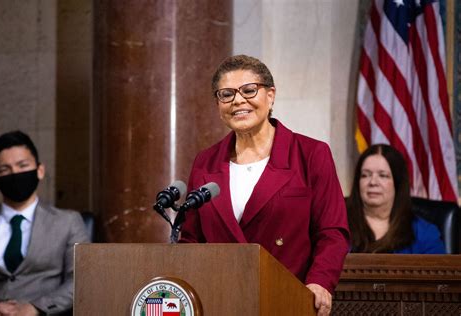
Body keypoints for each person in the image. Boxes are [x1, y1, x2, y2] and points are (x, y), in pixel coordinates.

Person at [180, 55, 350, 316]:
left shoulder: (311, 154)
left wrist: (319, 282)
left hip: (287, 300)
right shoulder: (205, 162)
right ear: (218, 104)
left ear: (270, 96)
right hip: (219, 301)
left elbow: (332, 232)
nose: (238, 100)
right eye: (226, 94)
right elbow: (191, 238)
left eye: (249, 90)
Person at [0, 131, 90, 316]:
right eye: (4, 170)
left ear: (40, 170)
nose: (15, 174)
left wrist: (34, 308)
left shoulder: (68, 222)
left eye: (22, 165)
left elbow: (82, 280)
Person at [346, 144, 446, 254]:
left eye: (383, 175)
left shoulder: (425, 234)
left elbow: (438, 271)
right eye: (365, 175)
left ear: (398, 183)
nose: (373, 182)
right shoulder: (337, 226)